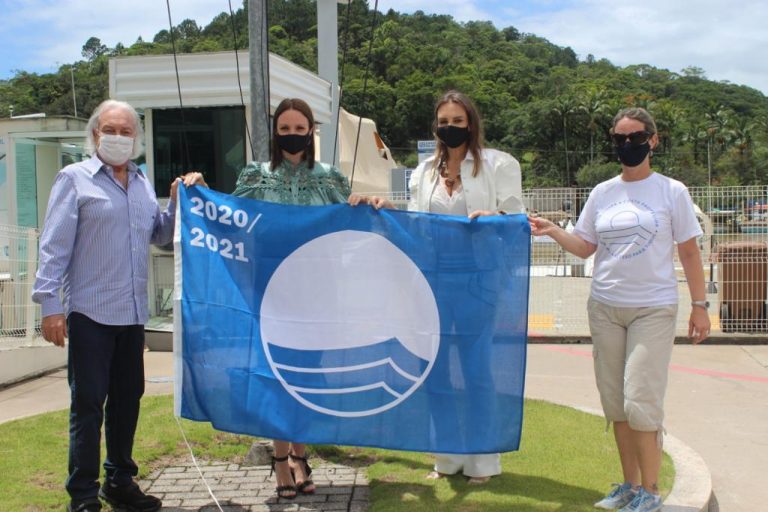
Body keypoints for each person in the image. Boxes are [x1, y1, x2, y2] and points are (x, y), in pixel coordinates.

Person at [529, 107, 710, 512]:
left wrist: (699, 306)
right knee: (615, 403)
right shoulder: (603, 192)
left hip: (653, 308)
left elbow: (689, 251)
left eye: (636, 136)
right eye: (620, 138)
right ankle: (629, 485)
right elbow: (586, 246)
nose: (628, 145)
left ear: (653, 139)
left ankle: (651, 489)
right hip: (606, 307)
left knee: (640, 401)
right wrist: (554, 230)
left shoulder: (671, 191)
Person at [31, 99, 206, 512]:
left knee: (129, 399)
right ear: (95, 134)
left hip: (131, 314)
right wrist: (49, 306)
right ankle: (84, 495)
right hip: (89, 313)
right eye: (110, 129)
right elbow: (53, 247)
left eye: (127, 132)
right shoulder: (74, 180)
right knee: (88, 405)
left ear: (136, 140)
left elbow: (160, 235)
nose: (118, 137)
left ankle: (120, 481)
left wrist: (178, 198)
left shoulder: (143, 183)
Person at [349, 90, 524, 483]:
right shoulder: (424, 170)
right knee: (436, 372)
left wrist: (494, 214)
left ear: (471, 124)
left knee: (477, 371)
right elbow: (416, 220)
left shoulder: (499, 164)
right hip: (431, 283)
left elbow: (517, 217)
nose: (450, 128)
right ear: (436, 126)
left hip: (480, 281)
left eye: (458, 122)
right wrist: (385, 208)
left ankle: (482, 459)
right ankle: (447, 458)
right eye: (444, 122)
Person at [231, 97, 351, 499]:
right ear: (274, 131)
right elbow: (233, 219)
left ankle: (301, 455)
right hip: (271, 292)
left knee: (307, 378)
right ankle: (281, 461)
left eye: (300, 129)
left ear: (311, 131)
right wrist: (198, 193)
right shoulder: (255, 175)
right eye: (285, 129)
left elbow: (349, 224)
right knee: (277, 376)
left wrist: (371, 205)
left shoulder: (332, 177)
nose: (293, 135)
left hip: (318, 293)